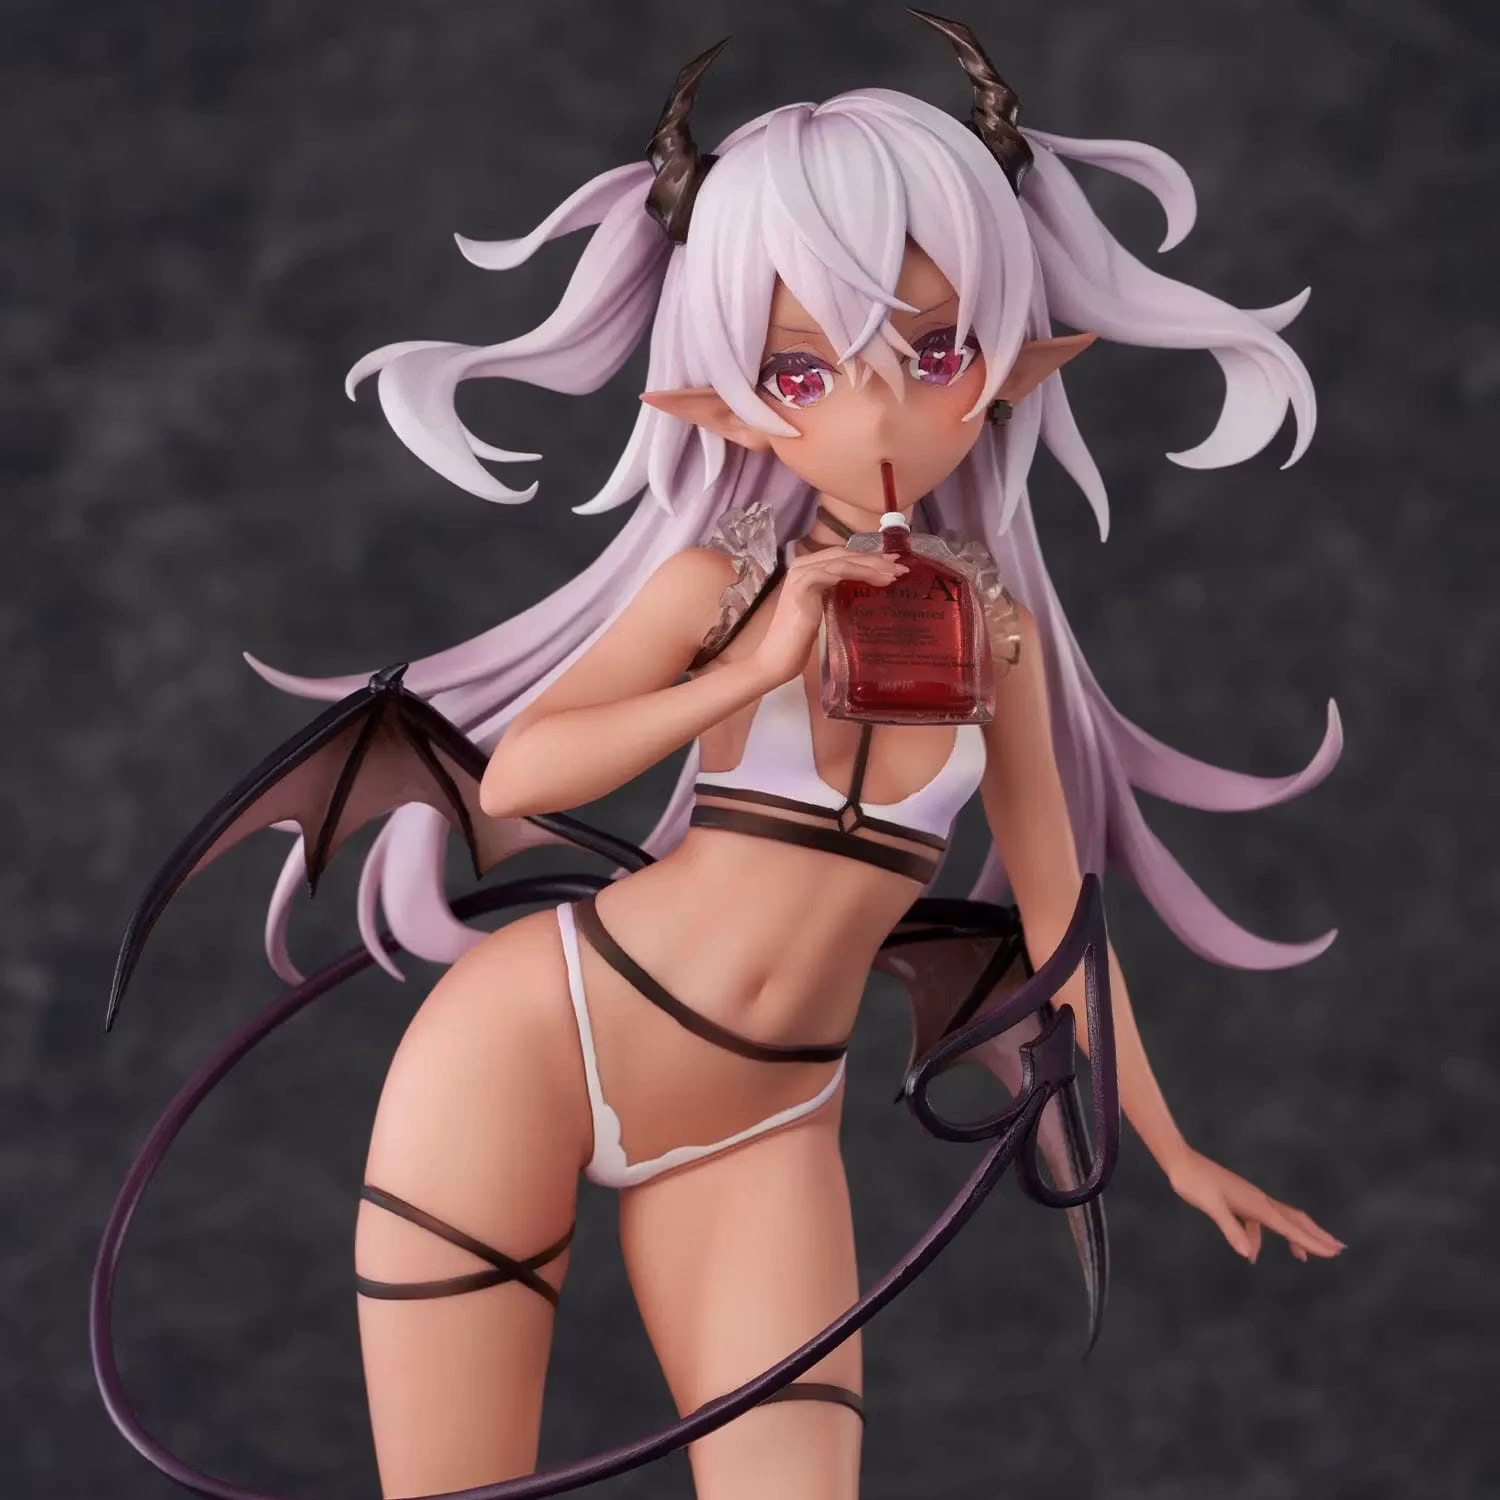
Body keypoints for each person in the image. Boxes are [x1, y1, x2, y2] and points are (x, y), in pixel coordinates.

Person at [204, 16, 1344, 1499]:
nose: (874, 409)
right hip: (543, 1040)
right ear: (724, 395)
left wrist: (1174, 1148)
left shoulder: (995, 640)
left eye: (935, 351)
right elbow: (521, 779)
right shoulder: (721, 584)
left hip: (767, 1120)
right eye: (801, 374)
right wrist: (745, 670)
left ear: (1010, 365)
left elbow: (1060, 915)